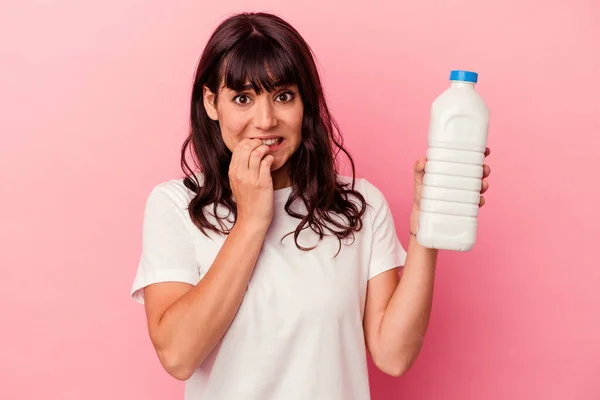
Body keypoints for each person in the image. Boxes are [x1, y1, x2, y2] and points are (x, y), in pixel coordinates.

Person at [130, 11, 491, 400]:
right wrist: (252, 219)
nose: (265, 120)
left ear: (306, 104)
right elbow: (178, 355)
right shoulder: (176, 205)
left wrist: (426, 226)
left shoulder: (360, 205)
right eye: (243, 99)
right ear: (211, 102)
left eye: (283, 96)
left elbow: (394, 355)